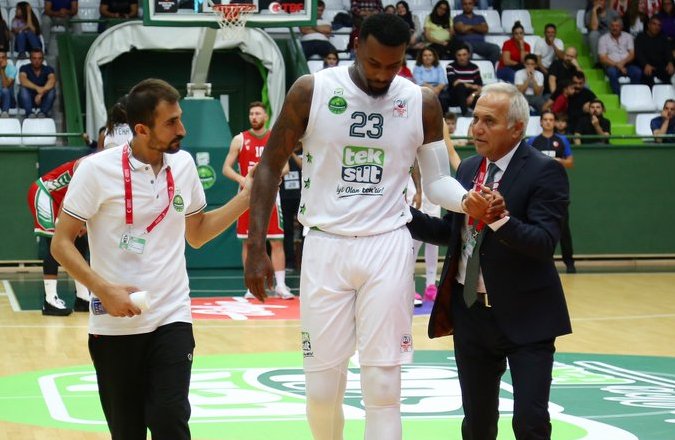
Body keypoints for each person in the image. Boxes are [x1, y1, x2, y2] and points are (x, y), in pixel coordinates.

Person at [244, 13, 492, 440]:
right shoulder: (313, 90)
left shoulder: (420, 101)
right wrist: (255, 246)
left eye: (393, 66)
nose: (382, 74)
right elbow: (269, 166)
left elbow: (436, 182)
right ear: (356, 45)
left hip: (388, 246)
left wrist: (465, 200)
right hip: (325, 244)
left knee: (383, 387)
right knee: (322, 391)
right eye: (374, 63)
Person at [51, 78, 252, 439]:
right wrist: (104, 290)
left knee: (169, 419)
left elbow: (197, 233)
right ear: (142, 129)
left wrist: (246, 198)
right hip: (114, 325)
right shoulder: (96, 170)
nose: (182, 129)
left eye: (180, 118)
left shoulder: (184, 164)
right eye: (171, 123)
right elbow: (61, 244)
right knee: (127, 431)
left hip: (172, 314)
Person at [408, 81, 572, 440]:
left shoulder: (545, 171)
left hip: (527, 316)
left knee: (530, 422)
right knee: (477, 423)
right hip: (471, 314)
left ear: (517, 128)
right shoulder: (468, 169)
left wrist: (499, 219)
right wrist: (401, 214)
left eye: (489, 121)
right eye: (476, 119)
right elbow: (451, 232)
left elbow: (544, 243)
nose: (477, 128)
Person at [222, 101, 295, 300]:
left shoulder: (274, 138)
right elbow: (226, 168)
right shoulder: (240, 139)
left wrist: (270, 175)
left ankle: (281, 286)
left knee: (276, 241)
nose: (254, 117)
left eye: (258, 114)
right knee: (248, 242)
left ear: (266, 117)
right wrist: (242, 179)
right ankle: (251, 286)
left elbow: (286, 167)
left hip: (270, 194)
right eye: (251, 114)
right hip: (247, 196)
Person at [28, 158, 91, 316]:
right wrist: (63, 222)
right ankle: (50, 300)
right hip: (44, 193)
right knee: (55, 242)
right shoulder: (89, 164)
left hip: (61, 199)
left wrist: (84, 224)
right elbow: (70, 196)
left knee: (80, 243)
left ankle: (83, 297)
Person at [527, 110, 576, 273]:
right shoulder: (533, 141)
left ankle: (569, 263)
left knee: (563, 228)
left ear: (554, 122)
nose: (548, 122)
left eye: (551, 119)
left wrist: (558, 160)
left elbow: (570, 162)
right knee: (534, 226)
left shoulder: (562, 140)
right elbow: (526, 160)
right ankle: (536, 261)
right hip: (537, 189)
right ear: (541, 122)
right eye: (546, 119)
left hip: (557, 190)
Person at [598, 16, 641, 94]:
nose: (614, 28)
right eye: (612, 26)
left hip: (627, 65)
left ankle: (632, 94)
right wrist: (618, 65)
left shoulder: (628, 37)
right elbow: (602, 58)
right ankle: (619, 95)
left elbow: (632, 54)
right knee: (612, 72)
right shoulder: (603, 39)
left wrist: (622, 63)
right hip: (611, 66)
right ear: (609, 27)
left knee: (637, 72)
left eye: (617, 26)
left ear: (621, 27)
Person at [453, 0, 501, 65]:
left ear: (473, 5)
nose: (467, 6)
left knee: (495, 48)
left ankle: (489, 68)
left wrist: (469, 27)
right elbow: (462, 29)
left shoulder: (480, 17)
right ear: (462, 5)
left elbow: (485, 29)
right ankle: (469, 69)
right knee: (467, 49)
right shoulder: (457, 18)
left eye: (470, 4)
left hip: (480, 44)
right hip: (465, 43)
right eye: (465, 4)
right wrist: (477, 28)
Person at [280, 143, 303, 271]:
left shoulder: (306, 150)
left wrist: (292, 153)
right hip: (285, 197)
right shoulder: (282, 152)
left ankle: (304, 262)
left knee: (304, 230)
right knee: (287, 231)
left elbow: (303, 166)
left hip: (302, 197)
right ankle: (289, 263)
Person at [634, 15, 675, 87]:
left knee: (670, 74)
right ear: (649, 25)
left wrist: (670, 63)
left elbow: (668, 52)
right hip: (645, 66)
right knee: (647, 77)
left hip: (660, 67)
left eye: (659, 25)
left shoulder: (663, 38)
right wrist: (645, 64)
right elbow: (638, 54)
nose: (657, 27)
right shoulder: (640, 37)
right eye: (654, 24)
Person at [446, 44, 483, 117]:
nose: (462, 58)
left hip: (470, 96)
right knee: (460, 87)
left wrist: (472, 95)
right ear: (455, 56)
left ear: (468, 55)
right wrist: (471, 86)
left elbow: (479, 87)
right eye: (459, 55)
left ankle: (479, 117)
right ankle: (465, 113)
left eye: (464, 55)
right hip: (455, 96)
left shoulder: (474, 67)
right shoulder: (451, 66)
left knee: (479, 98)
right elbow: (455, 83)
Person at [18, 48, 56, 118]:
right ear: (30, 59)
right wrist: (37, 88)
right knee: (23, 89)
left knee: (52, 90)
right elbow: (23, 80)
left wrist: (41, 94)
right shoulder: (24, 68)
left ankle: (43, 113)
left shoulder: (48, 69)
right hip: (27, 99)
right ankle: (29, 113)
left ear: (43, 59)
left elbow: (52, 81)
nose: (37, 61)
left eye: (39, 58)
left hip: (42, 99)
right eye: (34, 58)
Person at [413, 46, 449, 111]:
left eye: (430, 55)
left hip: (438, 89)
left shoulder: (438, 67)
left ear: (434, 57)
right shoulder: (417, 68)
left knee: (444, 98)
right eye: (425, 55)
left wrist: (437, 89)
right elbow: (419, 81)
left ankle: (443, 116)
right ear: (421, 57)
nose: (427, 57)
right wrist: (432, 90)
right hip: (423, 89)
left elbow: (443, 81)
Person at [0, 51, 15, 117]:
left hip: (9, 100)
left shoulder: (12, 69)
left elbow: (5, 85)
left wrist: (2, 70)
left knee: (5, 90)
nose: (0, 60)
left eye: (3, 57)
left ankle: (5, 113)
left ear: (6, 59)